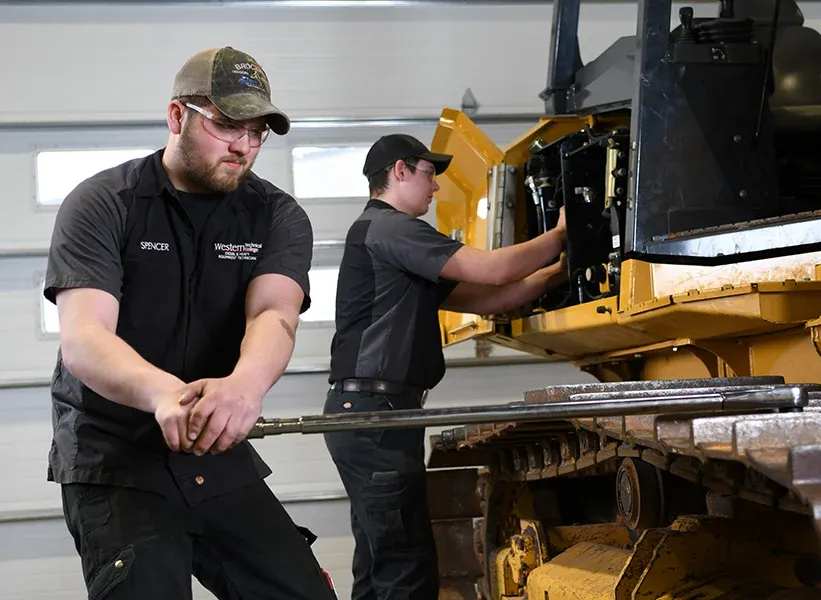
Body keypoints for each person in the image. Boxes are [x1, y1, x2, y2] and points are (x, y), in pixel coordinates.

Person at [43, 46, 336, 600]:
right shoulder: (106, 203)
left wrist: (245, 387)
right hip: (116, 456)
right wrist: (164, 395)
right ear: (178, 116)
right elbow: (85, 337)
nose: (244, 146)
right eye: (227, 126)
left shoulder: (278, 216)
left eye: (257, 133)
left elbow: (274, 312)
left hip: (213, 450)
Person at [323, 133, 568, 599]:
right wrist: (558, 234)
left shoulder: (393, 246)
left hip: (374, 414)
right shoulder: (390, 228)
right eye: (429, 175)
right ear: (399, 171)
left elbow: (492, 297)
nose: (435, 189)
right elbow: (494, 269)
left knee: (380, 563)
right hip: (376, 416)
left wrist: (553, 272)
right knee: (405, 566)